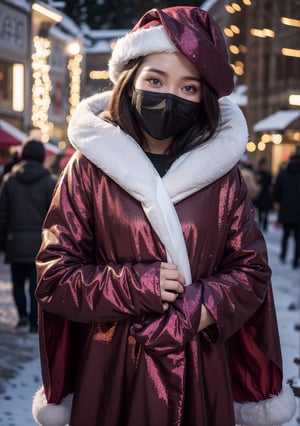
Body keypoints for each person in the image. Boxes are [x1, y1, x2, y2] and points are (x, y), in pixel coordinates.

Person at [32, 6, 296, 426]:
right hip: (110, 365)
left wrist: (195, 310)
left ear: (203, 97)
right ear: (130, 79)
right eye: (155, 80)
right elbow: (54, 277)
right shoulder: (89, 169)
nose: (169, 96)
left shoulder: (222, 177)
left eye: (188, 88)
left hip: (199, 366)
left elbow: (252, 272)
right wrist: (139, 285)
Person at [0, 139, 57, 333]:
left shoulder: (10, 180)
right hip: (40, 244)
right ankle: (34, 322)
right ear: (42, 156)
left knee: (17, 283)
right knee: (36, 285)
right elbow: (55, 216)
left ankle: (22, 317)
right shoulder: (50, 182)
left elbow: (2, 214)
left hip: (15, 241)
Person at [273, 153, 300, 269]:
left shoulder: (283, 174)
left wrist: (280, 201)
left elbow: (276, 192)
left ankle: (283, 255)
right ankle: (296, 259)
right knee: (298, 238)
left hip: (286, 209)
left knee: (285, 234)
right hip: (299, 212)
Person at [254, 157, 273, 231]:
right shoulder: (258, 173)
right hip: (260, 194)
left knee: (266, 212)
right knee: (260, 211)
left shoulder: (268, 174)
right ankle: (261, 225)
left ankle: (265, 226)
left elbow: (270, 183)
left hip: (266, 195)